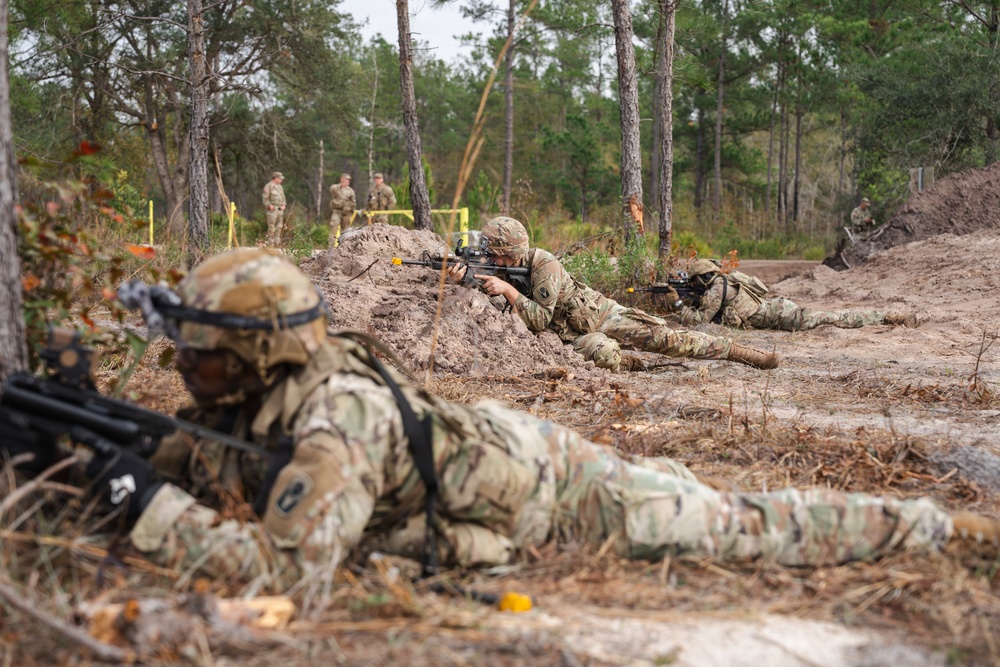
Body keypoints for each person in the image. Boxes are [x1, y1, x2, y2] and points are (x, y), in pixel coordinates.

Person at [63, 248, 1000, 593]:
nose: (186, 366)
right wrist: (126, 442)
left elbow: (286, 573)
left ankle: (937, 524)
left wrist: (132, 492)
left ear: (263, 349)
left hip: (563, 491)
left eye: (201, 349)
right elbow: (223, 456)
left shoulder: (337, 417)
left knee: (750, 524)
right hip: (499, 455)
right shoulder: (273, 389)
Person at [448, 217, 779, 372]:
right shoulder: (504, 266)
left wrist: (506, 290)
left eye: (496, 254)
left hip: (604, 316)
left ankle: (739, 352)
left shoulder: (543, 264)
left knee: (669, 340)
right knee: (606, 358)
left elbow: (537, 320)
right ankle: (635, 363)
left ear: (511, 251)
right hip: (571, 337)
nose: (491, 259)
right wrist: (467, 279)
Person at [673, 259, 917, 330]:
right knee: (828, 317)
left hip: (781, 315)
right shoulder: (723, 282)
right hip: (778, 309)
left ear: (703, 277)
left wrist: (676, 306)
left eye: (695, 280)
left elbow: (699, 321)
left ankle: (882, 318)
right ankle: (881, 317)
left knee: (831, 318)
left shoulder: (717, 288)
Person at [328, 173, 356, 247]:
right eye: (346, 179)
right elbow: (332, 189)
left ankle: (343, 247)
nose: (347, 181)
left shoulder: (351, 191)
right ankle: (330, 247)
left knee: (345, 231)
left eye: (348, 180)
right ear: (342, 179)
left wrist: (349, 208)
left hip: (346, 213)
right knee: (333, 228)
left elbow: (353, 203)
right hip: (337, 211)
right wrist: (340, 185)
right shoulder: (336, 187)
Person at [262, 172, 287, 245]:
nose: (281, 180)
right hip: (272, 210)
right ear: (275, 178)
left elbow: (283, 197)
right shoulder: (268, 186)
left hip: (280, 209)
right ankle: (270, 242)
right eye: (280, 178)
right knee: (271, 226)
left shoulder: (280, 187)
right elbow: (265, 198)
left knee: (279, 226)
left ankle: (277, 242)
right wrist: (269, 205)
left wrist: (284, 205)